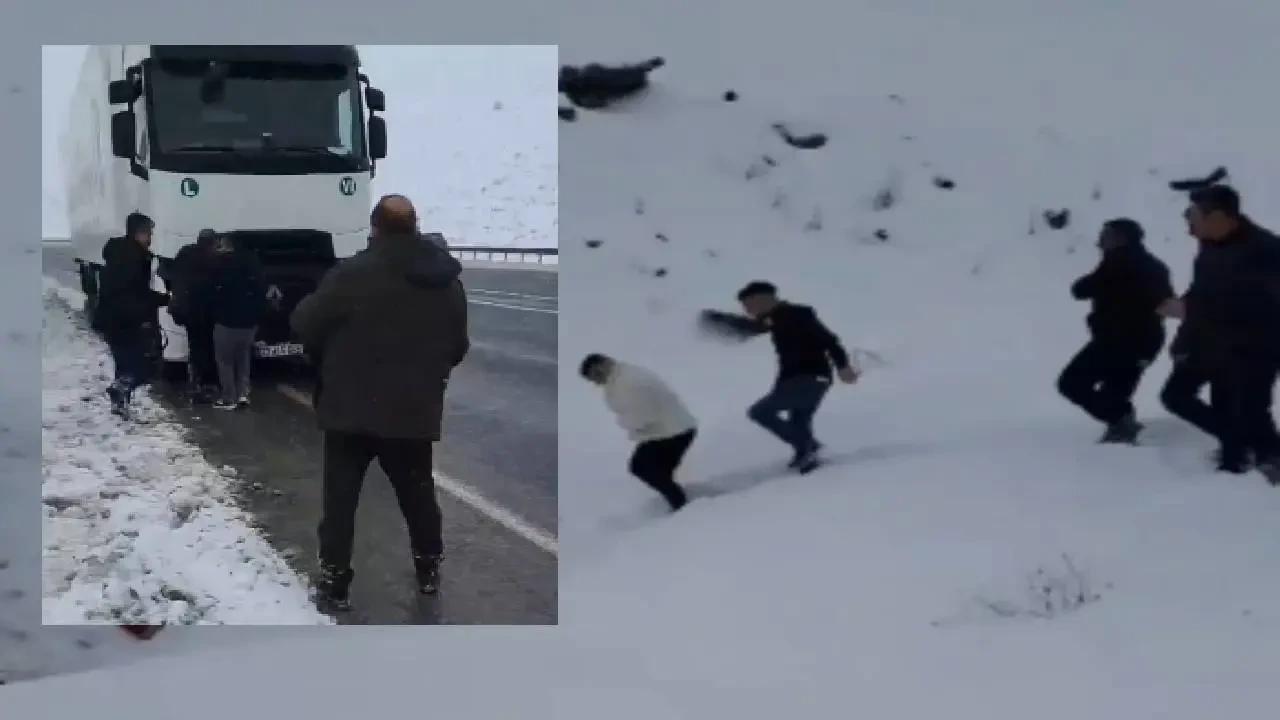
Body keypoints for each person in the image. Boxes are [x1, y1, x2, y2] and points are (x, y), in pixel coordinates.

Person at [290, 194, 470, 610]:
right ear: (416, 225)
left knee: (341, 501)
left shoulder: (351, 275)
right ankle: (428, 566)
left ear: (376, 228)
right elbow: (457, 345)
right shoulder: (445, 282)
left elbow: (305, 323)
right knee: (417, 494)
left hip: (349, 410)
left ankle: (335, 581)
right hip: (411, 411)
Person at [1158, 185, 1280, 482]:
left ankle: (1261, 462)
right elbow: (1202, 292)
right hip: (1211, 342)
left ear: (1218, 217)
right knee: (1177, 395)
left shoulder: (1266, 250)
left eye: (1193, 219)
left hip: (1256, 346)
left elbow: (1261, 304)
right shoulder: (1209, 247)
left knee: (1250, 409)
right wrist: (1183, 330)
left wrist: (1192, 309)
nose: (1189, 228)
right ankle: (1240, 449)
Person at [702, 281, 857, 473]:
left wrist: (843, 366)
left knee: (759, 412)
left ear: (762, 299)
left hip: (809, 377)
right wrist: (717, 320)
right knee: (799, 421)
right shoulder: (775, 318)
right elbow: (750, 327)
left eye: (748, 305)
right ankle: (805, 454)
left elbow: (829, 340)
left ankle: (811, 448)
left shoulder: (796, 315)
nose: (747, 310)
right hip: (801, 379)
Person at [1056, 218, 1173, 444]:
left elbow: (1080, 289)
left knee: (1072, 383)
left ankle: (1122, 424)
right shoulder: (1152, 265)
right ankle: (1121, 430)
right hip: (1145, 340)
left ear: (1120, 238)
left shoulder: (1118, 262)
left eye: (1105, 235)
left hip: (1118, 340)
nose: (1100, 241)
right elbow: (1165, 301)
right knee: (1117, 391)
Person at [580, 353, 699, 511]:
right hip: (669, 430)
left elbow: (643, 416)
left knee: (642, 468)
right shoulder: (622, 377)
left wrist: (625, 423)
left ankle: (682, 507)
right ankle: (680, 503)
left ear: (602, 365)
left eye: (594, 376)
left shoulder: (628, 382)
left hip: (673, 432)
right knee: (655, 471)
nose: (596, 382)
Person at [93, 212, 169, 417]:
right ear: (138, 233)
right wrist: (164, 299)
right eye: (148, 233)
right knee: (144, 368)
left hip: (110, 319)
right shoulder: (135, 259)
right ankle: (120, 390)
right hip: (130, 320)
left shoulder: (117, 254)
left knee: (124, 364)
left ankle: (120, 405)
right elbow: (137, 293)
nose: (150, 238)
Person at [208, 235, 267, 410]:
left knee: (225, 361)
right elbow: (260, 293)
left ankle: (229, 397)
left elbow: (214, 294)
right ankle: (243, 395)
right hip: (249, 324)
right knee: (243, 359)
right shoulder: (253, 265)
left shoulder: (221, 265)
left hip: (226, 323)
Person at [162, 228, 220, 402]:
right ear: (211, 243)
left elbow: (168, 273)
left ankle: (197, 380)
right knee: (205, 346)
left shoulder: (185, 253)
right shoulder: (210, 259)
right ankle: (205, 383)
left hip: (186, 311)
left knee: (196, 345)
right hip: (200, 311)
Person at [558, 57, 665, 109]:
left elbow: (618, 75)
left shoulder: (590, 73)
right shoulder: (589, 77)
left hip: (625, 85)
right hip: (623, 88)